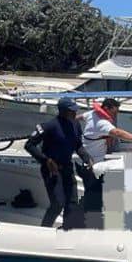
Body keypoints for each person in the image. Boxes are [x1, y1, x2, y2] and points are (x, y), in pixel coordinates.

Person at [25, 97, 92, 227]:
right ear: (62, 111)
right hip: (52, 170)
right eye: (71, 111)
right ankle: (44, 230)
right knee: (57, 204)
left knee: (72, 203)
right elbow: (29, 145)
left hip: (67, 168)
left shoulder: (75, 125)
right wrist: (46, 160)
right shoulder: (49, 126)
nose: (74, 113)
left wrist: (86, 157)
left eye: (75, 110)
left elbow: (78, 145)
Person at [79, 98, 132, 163]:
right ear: (106, 108)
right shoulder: (102, 123)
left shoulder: (92, 113)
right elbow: (117, 133)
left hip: (88, 149)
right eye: (114, 112)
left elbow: (78, 117)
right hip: (94, 158)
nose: (116, 114)